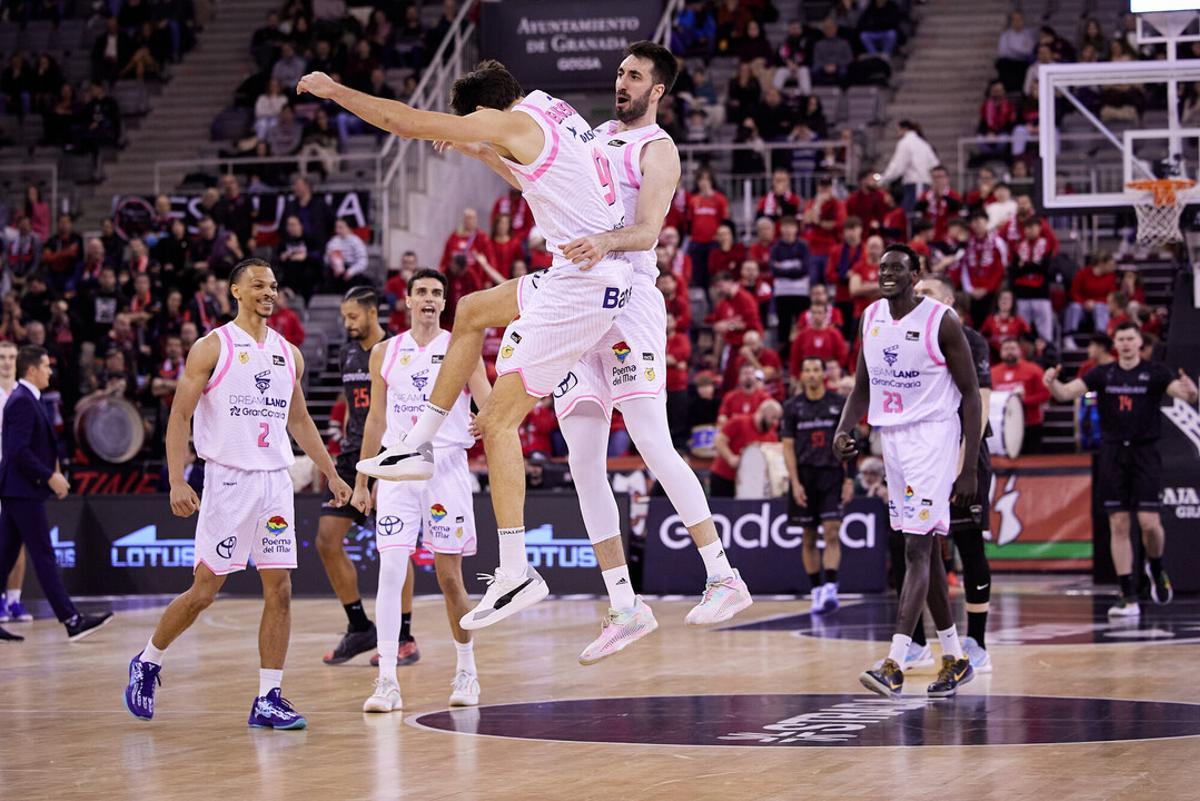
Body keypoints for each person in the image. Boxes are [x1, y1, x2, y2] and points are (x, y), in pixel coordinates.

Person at [297, 59, 638, 629]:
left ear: (484, 111)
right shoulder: (551, 108)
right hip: (591, 276)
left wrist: (334, 92)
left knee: (500, 422)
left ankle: (516, 569)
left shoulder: (508, 125)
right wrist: (481, 152)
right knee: (474, 309)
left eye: (476, 125)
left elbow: (404, 122)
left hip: (583, 283)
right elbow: (537, 176)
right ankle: (420, 444)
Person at [123, 259, 353, 728]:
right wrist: (177, 478)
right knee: (205, 591)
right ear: (235, 291)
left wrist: (330, 473)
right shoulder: (212, 347)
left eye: (272, 286)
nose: (269, 293)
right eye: (258, 286)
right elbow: (179, 418)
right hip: (228, 480)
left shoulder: (290, 353)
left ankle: (269, 696)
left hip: (274, 482)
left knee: (281, 590)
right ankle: (148, 659)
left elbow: (300, 420)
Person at [835, 244, 981, 699]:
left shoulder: (941, 321)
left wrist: (969, 465)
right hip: (893, 440)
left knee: (916, 548)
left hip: (933, 437)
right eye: (882, 268)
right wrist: (844, 428)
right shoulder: (872, 317)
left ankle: (896, 662)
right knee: (920, 546)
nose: (887, 274)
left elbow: (973, 395)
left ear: (915, 274)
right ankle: (955, 658)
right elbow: (864, 385)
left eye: (898, 268)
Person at [355, 269, 492, 711]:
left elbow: (487, 400)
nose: (429, 299)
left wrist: (486, 419)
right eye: (422, 292)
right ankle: (387, 680)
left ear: (444, 301)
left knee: (450, 577)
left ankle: (467, 670)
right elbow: (375, 419)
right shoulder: (384, 353)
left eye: (436, 293)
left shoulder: (461, 346)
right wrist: (363, 478)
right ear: (408, 300)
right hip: (397, 470)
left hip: (446, 467)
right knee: (391, 571)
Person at [1044, 322, 1198, 616]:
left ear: (1140, 342)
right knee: (1119, 524)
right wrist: (1052, 382)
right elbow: (1065, 394)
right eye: (1121, 339)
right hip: (1113, 453)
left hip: (1145, 453)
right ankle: (1128, 595)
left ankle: (1156, 566)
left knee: (1149, 523)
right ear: (1115, 343)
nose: (1126, 343)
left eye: (1131, 338)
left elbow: (1185, 395)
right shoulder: (1103, 373)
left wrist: (1192, 391)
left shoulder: (1155, 372)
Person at [316, 287, 418, 669]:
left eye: (353, 316)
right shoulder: (346, 353)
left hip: (389, 452)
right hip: (353, 453)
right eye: (344, 317)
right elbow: (352, 411)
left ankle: (404, 636)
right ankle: (360, 626)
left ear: (373, 312)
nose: (347, 323)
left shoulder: (396, 351)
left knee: (395, 548)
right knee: (327, 540)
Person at [0, 346, 113, 643]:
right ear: (32, 370)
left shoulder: (25, 399)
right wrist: (49, 476)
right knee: (44, 555)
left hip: (17, 491)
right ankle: (71, 619)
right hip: (22, 492)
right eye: (46, 366)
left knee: (4, 556)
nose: (50, 372)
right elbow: (18, 452)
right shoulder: (22, 401)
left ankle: (71, 618)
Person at [915, 274, 995, 673]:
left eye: (926, 293)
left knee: (968, 544)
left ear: (948, 301)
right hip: (924, 455)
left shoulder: (971, 340)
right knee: (914, 546)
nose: (918, 298)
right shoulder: (911, 339)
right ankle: (913, 644)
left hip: (963, 455)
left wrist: (962, 467)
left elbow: (979, 406)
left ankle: (977, 641)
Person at [782, 357, 854, 614]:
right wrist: (795, 482)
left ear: (824, 374)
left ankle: (832, 587)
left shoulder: (838, 404)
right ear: (801, 375)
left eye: (816, 370)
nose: (812, 375)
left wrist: (848, 478)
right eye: (807, 370)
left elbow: (849, 443)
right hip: (804, 476)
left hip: (831, 474)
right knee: (809, 536)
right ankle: (816, 591)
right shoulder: (792, 407)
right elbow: (787, 446)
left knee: (832, 530)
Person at [0, 342, 32, 626]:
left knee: (17, 539)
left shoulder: (25, 392)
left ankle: (14, 599)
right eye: (2, 357)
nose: (7, 362)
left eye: (11, 357)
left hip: (17, 475)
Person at [711, 400, 784, 497]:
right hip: (724, 477)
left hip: (749, 484)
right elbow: (719, 439)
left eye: (777, 419)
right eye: (773, 417)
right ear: (763, 412)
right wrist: (730, 457)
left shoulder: (772, 436)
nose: (775, 422)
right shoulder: (739, 422)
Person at [991, 337, 1049, 453]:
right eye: (1006, 349)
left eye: (1013, 348)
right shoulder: (993, 372)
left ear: (1020, 351)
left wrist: (1023, 401)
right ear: (1001, 352)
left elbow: (1045, 394)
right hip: (1002, 426)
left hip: (1030, 424)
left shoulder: (1034, 370)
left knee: (1031, 462)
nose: (1009, 352)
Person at [876, 120, 938, 213]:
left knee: (913, 214)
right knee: (912, 214)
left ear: (903, 129)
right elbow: (935, 164)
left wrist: (882, 180)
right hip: (924, 184)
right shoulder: (924, 143)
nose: (897, 134)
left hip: (916, 184)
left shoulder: (905, 143)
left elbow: (897, 167)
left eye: (898, 130)